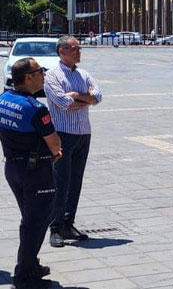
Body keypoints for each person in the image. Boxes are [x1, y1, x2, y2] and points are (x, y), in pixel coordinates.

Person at [1, 58, 63, 289]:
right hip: (36, 172)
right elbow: (54, 144)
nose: (44, 74)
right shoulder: (36, 109)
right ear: (28, 77)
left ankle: (30, 264)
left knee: (30, 219)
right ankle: (25, 273)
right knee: (35, 223)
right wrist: (56, 151)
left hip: (13, 169)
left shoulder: (4, 99)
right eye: (40, 71)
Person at [43, 36, 100, 248]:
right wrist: (86, 100)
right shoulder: (52, 76)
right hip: (63, 134)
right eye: (75, 49)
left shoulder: (83, 74)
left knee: (76, 180)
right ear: (62, 52)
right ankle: (55, 227)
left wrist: (78, 95)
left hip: (83, 133)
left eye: (79, 48)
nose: (79, 52)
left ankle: (68, 223)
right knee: (60, 181)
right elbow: (61, 102)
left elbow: (98, 96)